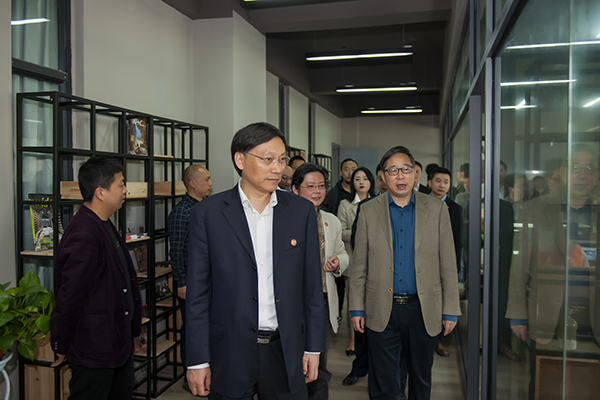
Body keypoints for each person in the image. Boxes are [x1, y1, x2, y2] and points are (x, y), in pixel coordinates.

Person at [185, 122, 325, 399]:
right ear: (240, 160)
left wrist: (313, 346)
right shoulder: (209, 214)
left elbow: (312, 286)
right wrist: (197, 360)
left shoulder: (301, 212)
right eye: (268, 159)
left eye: (282, 160)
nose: (278, 168)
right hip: (229, 350)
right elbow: (198, 294)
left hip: (286, 349)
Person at [349, 145, 461, 400]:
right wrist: (356, 308)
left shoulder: (437, 209)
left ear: (415, 174)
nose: (400, 176)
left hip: (422, 308)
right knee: (384, 382)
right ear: (383, 176)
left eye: (406, 169)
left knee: (420, 379)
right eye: (393, 170)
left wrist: (450, 309)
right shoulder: (368, 210)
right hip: (381, 307)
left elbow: (448, 263)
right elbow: (359, 265)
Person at [50, 157, 142, 400]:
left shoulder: (104, 224)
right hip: (95, 348)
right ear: (100, 192)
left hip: (116, 344)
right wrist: (60, 341)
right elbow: (70, 295)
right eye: (121, 184)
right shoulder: (84, 232)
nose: (125, 190)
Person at [291, 163, 349, 400]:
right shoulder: (283, 220)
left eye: (321, 186)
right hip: (291, 303)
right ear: (295, 189)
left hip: (322, 302)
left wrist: (338, 262)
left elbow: (343, 252)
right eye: (310, 186)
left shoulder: (331, 220)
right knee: (291, 360)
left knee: (319, 361)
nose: (317, 191)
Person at [167, 165, 212, 392]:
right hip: (189, 278)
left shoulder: (206, 207)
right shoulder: (182, 211)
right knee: (192, 326)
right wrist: (182, 282)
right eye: (207, 179)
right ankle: (190, 374)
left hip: (206, 277)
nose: (211, 184)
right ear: (193, 183)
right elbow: (175, 251)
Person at [342, 165, 387, 388]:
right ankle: (360, 368)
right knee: (362, 328)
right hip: (366, 274)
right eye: (381, 177)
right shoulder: (366, 206)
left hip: (389, 278)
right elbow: (357, 240)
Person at [337, 167, 376, 357]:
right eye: (357, 179)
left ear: (371, 182)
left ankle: (371, 337)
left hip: (375, 259)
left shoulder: (378, 202)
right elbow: (340, 231)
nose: (361, 182)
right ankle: (352, 339)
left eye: (365, 178)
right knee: (353, 300)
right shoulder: (345, 204)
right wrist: (359, 232)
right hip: (353, 257)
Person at [427, 166, 463, 357]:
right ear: (429, 182)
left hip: (442, 263)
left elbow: (457, 240)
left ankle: (438, 340)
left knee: (440, 301)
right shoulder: (419, 203)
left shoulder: (455, 209)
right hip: (422, 262)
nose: (442, 185)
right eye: (438, 181)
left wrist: (453, 267)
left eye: (446, 182)